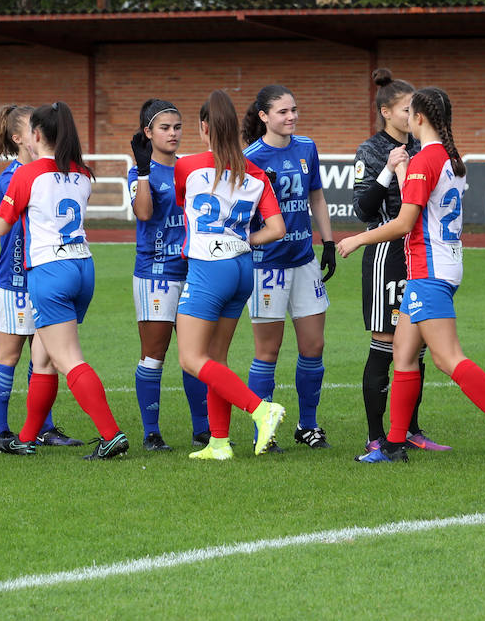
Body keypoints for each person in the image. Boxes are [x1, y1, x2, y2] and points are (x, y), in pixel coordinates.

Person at [340, 86, 485, 465]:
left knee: (448, 358)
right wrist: (400, 170)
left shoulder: (426, 160)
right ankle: (395, 444)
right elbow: (421, 206)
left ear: (418, 118)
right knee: (403, 353)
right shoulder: (445, 159)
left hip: (428, 271)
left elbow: (404, 222)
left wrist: (357, 239)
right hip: (437, 268)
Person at [0, 102, 129, 460]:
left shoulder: (26, 174)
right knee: (42, 358)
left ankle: (110, 433)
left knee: (68, 358)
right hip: (83, 267)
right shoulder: (83, 172)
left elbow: (2, 226)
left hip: (49, 272)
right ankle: (26, 436)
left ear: (36, 135)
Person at [169, 90, 287, 461]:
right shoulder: (255, 172)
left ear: (204, 127)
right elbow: (277, 228)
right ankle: (218, 442)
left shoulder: (187, 165)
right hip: (242, 267)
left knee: (191, 358)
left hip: (208, 267)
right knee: (215, 358)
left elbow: (181, 202)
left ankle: (260, 409)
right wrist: (244, 238)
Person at [352, 68, 448, 454]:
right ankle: (376, 437)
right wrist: (388, 171)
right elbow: (362, 210)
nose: (412, 115)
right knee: (385, 345)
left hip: (419, 252)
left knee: (416, 347)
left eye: (414, 108)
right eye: (406, 108)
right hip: (385, 254)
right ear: (386, 113)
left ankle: (408, 429)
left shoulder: (424, 148)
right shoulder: (371, 150)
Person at [0, 104, 82, 453]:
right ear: (19, 137)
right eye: (32, 127)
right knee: (9, 353)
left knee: (48, 356)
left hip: (47, 276)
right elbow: (11, 228)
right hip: (16, 278)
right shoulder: (13, 177)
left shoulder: (50, 172)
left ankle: (43, 427)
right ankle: (1, 431)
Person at [241, 84, 335, 450]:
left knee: (314, 346)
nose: (291, 117)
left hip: (304, 261)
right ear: (264, 116)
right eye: (282, 112)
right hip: (267, 267)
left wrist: (326, 242)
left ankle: (307, 426)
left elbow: (317, 195)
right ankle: (262, 432)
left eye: (293, 110)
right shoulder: (250, 157)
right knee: (268, 351)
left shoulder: (307, 148)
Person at [127, 99, 209, 451]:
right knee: (154, 354)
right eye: (164, 127)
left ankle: (202, 429)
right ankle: (151, 432)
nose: (173, 133)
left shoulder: (190, 168)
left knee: (195, 354)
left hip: (194, 271)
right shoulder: (137, 174)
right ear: (148, 132)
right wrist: (144, 171)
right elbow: (143, 213)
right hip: (155, 273)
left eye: (177, 127)